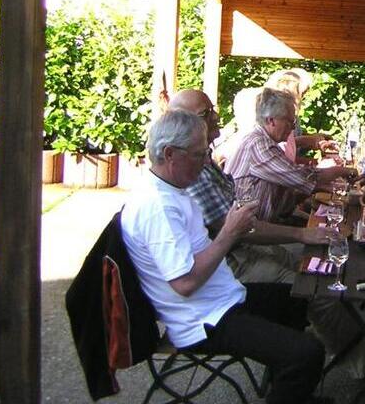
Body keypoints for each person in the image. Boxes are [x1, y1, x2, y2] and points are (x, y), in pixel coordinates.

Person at [120, 110, 325, 404]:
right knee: (308, 353)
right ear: (169, 154)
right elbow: (185, 284)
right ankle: (290, 381)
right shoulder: (158, 207)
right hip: (202, 321)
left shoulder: (170, 189)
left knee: (299, 299)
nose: (206, 162)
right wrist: (230, 232)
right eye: (198, 154)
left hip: (220, 300)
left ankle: (290, 388)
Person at [168, 89, 328, 283]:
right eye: (206, 113)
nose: (216, 116)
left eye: (213, 109)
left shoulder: (204, 159)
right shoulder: (192, 169)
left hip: (246, 243)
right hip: (230, 259)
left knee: (319, 262)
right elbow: (240, 229)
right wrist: (302, 234)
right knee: (312, 282)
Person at [224, 88, 355, 224]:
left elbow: (291, 187)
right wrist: (342, 171)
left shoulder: (263, 140)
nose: (293, 128)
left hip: (267, 224)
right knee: (329, 229)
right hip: (252, 231)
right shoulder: (259, 146)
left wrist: (320, 186)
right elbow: (301, 177)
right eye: (290, 122)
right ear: (271, 120)